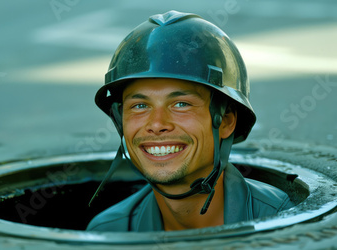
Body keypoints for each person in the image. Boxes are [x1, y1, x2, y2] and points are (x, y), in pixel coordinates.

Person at [86, 10, 294, 232]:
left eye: (181, 104)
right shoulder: (111, 233)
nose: (157, 124)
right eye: (140, 106)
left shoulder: (282, 223)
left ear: (225, 121)